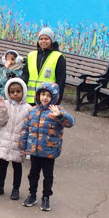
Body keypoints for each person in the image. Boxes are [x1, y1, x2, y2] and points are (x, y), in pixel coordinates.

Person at [20, 82, 74, 211]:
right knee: (33, 174)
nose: (45, 98)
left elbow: (70, 123)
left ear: (54, 97)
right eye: (42, 94)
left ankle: (46, 197)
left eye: (48, 95)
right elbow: (26, 129)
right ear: (38, 96)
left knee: (48, 176)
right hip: (34, 150)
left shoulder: (57, 111)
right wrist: (23, 145)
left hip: (49, 151)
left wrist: (60, 116)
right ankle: (32, 194)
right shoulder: (32, 111)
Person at [0, 78, 31, 200]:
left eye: (18, 91)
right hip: (5, 140)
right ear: (8, 92)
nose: (15, 94)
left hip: (18, 143)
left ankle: (15, 189)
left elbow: (29, 126)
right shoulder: (5, 104)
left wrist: (27, 144)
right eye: (12, 92)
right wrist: (2, 110)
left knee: (17, 167)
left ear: (23, 92)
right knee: (2, 165)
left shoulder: (28, 108)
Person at [22, 27, 66, 105]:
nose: (43, 41)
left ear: (51, 41)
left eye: (46, 39)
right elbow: (25, 74)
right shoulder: (31, 55)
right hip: (30, 99)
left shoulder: (58, 57)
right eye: (41, 39)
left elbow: (61, 80)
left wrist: (57, 100)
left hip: (47, 99)